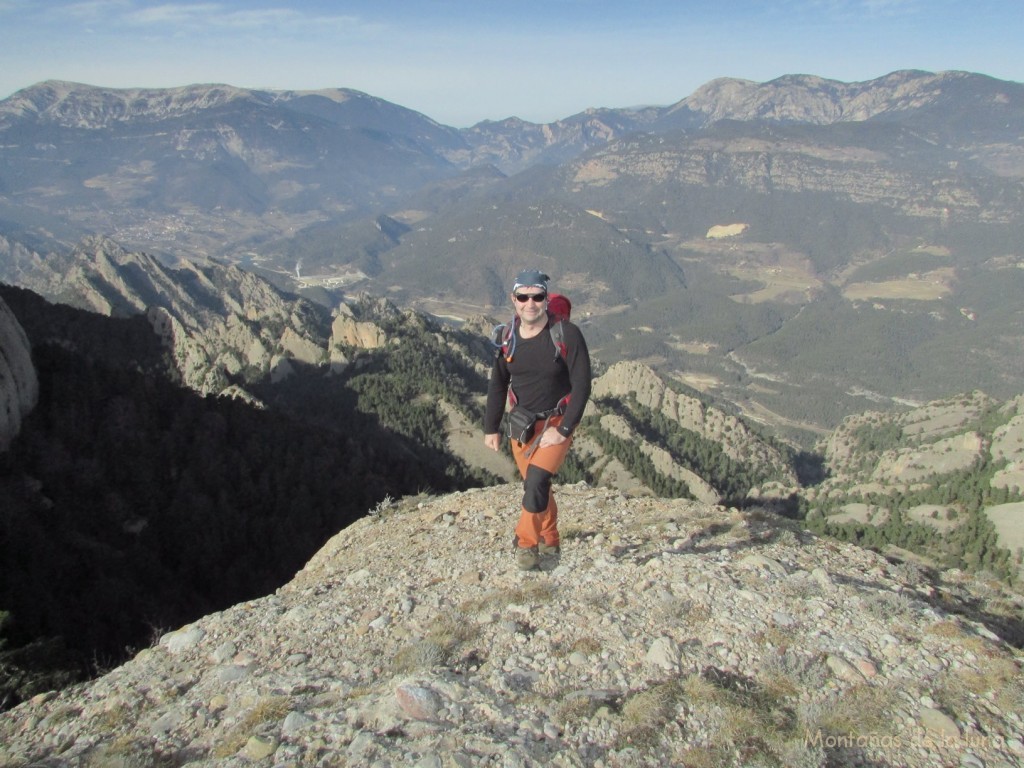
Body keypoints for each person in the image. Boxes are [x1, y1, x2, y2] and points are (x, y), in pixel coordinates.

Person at [484, 269, 592, 571]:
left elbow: (582, 385)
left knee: (536, 481)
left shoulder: (566, 334)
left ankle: (526, 543)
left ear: (546, 298)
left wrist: (565, 429)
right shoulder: (507, 339)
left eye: (537, 296)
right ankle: (551, 538)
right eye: (523, 296)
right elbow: (498, 384)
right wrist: (491, 427)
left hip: (557, 424)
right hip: (521, 426)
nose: (530, 303)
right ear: (513, 300)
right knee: (537, 487)